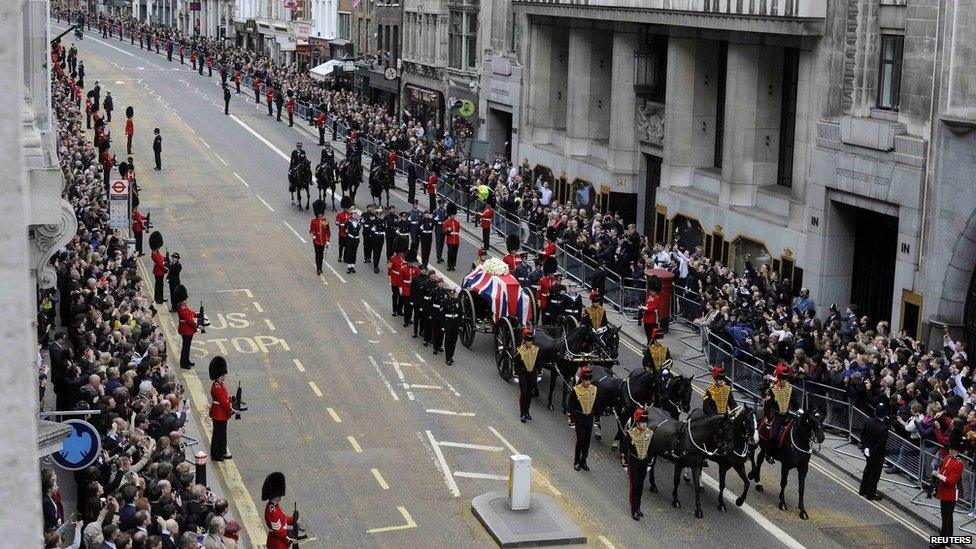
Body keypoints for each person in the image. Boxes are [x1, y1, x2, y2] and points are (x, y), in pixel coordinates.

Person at [762, 364, 799, 462]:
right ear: (778, 378)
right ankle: (768, 453)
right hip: (777, 416)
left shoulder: (790, 389)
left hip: (787, 415)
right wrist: (767, 419)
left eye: (785, 379)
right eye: (782, 379)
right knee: (773, 436)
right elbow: (767, 406)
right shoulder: (772, 390)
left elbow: (794, 403)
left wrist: (800, 410)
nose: (784, 381)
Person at [931, 439, 964, 548]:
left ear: (958, 451)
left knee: (946, 519)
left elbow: (951, 481)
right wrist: (938, 472)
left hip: (950, 494)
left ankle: (941, 541)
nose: (951, 451)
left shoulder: (959, 464)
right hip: (944, 491)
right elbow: (942, 470)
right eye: (950, 449)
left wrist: (938, 475)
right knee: (947, 518)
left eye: (954, 450)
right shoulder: (947, 458)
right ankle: (948, 540)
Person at [624, 407, 653, 520]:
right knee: (634, 486)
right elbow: (624, 449)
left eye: (645, 423)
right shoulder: (630, 434)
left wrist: (650, 463)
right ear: (637, 423)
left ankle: (638, 507)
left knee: (640, 486)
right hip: (634, 461)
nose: (644, 425)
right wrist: (625, 463)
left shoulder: (650, 434)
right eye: (641, 423)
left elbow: (650, 450)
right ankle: (633, 509)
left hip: (644, 462)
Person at [568, 366, 597, 471]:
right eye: (586, 380)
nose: (588, 382)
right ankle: (576, 461)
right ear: (582, 380)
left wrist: (597, 418)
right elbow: (570, 406)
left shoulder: (594, 389)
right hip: (579, 417)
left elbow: (595, 405)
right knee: (580, 440)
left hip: (589, 417)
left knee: (587, 441)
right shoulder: (576, 390)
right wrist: (571, 419)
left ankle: (583, 461)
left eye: (589, 380)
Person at [209, 356, 238, 462]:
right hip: (219, 413)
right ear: (218, 376)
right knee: (218, 435)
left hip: (220, 413)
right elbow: (223, 402)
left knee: (221, 434)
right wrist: (231, 410)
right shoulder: (217, 387)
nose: (224, 376)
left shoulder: (219, 385)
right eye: (222, 375)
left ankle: (221, 451)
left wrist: (232, 398)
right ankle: (217, 454)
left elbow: (225, 397)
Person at [859, 405, 889, 501]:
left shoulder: (868, 421)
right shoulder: (883, 428)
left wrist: (866, 448)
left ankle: (862, 490)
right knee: (874, 474)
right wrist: (871, 451)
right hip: (877, 455)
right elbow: (880, 444)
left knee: (867, 469)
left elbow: (862, 435)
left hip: (867, 452)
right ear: (884, 415)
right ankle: (870, 494)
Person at [262, 473, 297, 549]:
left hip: (280, 541)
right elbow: (278, 531)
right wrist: (289, 538)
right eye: (279, 495)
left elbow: (283, 519)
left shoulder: (275, 506)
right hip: (277, 543)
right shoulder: (272, 511)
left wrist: (293, 520)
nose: (280, 497)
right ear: (275, 496)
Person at [515, 328, 539, 423]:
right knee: (524, 393)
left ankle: (527, 411)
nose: (529, 343)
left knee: (529, 393)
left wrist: (538, 372)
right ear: (525, 341)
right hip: (523, 373)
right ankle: (522, 413)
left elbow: (538, 362)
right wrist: (517, 375)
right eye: (528, 341)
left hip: (532, 374)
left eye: (531, 341)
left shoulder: (536, 350)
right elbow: (516, 363)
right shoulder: (520, 351)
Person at [174, 285, 197, 369]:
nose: (186, 301)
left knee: (187, 346)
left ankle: (186, 360)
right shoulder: (182, 309)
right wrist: (197, 325)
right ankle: (183, 363)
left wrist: (196, 314)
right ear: (181, 300)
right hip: (186, 330)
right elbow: (189, 320)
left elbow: (190, 312)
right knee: (186, 347)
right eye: (185, 300)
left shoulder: (183, 307)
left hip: (187, 329)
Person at [309, 199, 332, 276]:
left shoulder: (325, 221)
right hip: (316, 241)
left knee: (321, 255)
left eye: (321, 213)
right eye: (319, 214)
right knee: (317, 254)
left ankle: (320, 267)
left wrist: (328, 240)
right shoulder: (314, 221)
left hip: (323, 241)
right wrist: (313, 235)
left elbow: (328, 231)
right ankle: (318, 268)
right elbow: (311, 230)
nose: (320, 215)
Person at [441, 288, 462, 366]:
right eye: (451, 294)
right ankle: (447, 358)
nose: (452, 295)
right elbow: (442, 314)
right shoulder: (444, 302)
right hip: (448, 323)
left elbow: (460, 314)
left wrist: (460, 325)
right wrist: (443, 326)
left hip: (455, 323)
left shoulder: (458, 301)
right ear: (448, 294)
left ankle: (451, 356)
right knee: (448, 341)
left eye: (453, 294)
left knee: (454, 341)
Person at [399, 249, 420, 327]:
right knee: (406, 306)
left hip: (413, 291)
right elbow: (400, 281)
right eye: (410, 262)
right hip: (406, 289)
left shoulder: (416, 270)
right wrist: (401, 290)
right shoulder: (403, 269)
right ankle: (405, 320)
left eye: (412, 262)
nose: (411, 263)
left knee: (411, 305)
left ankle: (409, 318)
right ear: (407, 261)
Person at [388, 237, 407, 316]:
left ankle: (399, 310)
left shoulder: (405, 258)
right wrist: (390, 281)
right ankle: (394, 310)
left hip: (402, 281)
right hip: (395, 281)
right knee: (395, 295)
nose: (402, 253)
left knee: (402, 296)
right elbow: (389, 270)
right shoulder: (392, 259)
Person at [150, 231, 167, 304]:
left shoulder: (156, 251)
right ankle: (158, 299)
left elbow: (161, 258)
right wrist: (165, 268)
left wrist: (165, 258)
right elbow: (160, 263)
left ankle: (160, 298)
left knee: (160, 286)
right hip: (159, 272)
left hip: (159, 271)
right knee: (159, 286)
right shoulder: (154, 253)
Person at [443, 203, 461, 271]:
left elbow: (457, 231)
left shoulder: (457, 222)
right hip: (450, 240)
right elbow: (444, 233)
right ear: (450, 215)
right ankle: (449, 265)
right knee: (450, 253)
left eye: (454, 215)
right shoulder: (446, 222)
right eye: (452, 215)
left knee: (454, 253)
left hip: (456, 240)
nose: (453, 216)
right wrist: (448, 231)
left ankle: (453, 265)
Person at [344, 209, 362, 274]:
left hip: (356, 238)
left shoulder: (358, 221)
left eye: (355, 214)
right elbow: (345, 228)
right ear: (351, 215)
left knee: (354, 252)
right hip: (350, 238)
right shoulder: (348, 221)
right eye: (353, 214)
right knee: (349, 252)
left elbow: (359, 228)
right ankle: (349, 267)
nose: (355, 215)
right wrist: (347, 231)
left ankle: (352, 266)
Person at [335, 196, 352, 262]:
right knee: (341, 246)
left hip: (348, 234)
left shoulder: (350, 215)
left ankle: (345, 258)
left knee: (347, 247)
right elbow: (336, 222)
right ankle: (340, 256)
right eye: (345, 208)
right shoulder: (340, 214)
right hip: (342, 233)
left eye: (347, 208)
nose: (346, 209)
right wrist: (340, 224)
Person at [433, 199, 447, 264]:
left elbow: (447, 220)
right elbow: (433, 222)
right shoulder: (435, 211)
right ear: (438, 204)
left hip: (443, 229)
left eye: (442, 203)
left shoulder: (445, 211)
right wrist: (435, 220)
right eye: (440, 203)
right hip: (438, 229)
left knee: (442, 244)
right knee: (438, 244)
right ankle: (438, 257)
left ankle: (440, 256)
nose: (441, 204)